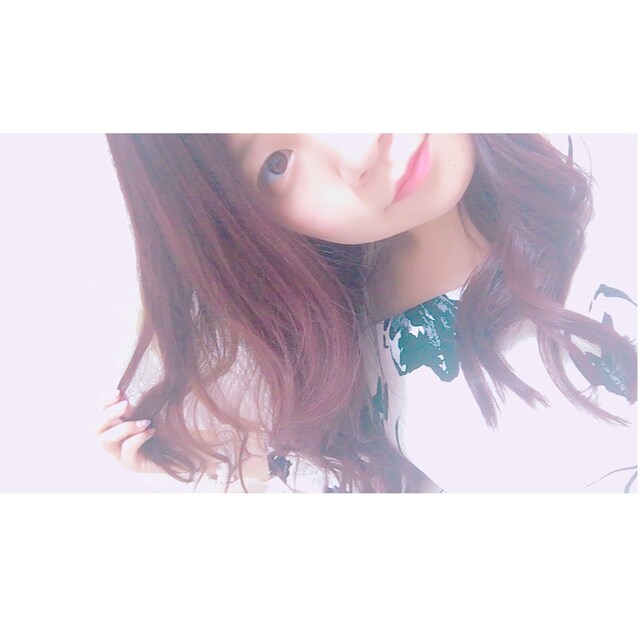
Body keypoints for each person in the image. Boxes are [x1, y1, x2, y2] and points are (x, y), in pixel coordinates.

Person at [97, 134, 637, 493]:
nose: (357, 152)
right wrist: (204, 461)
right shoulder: (353, 359)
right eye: (276, 164)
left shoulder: (603, 175)